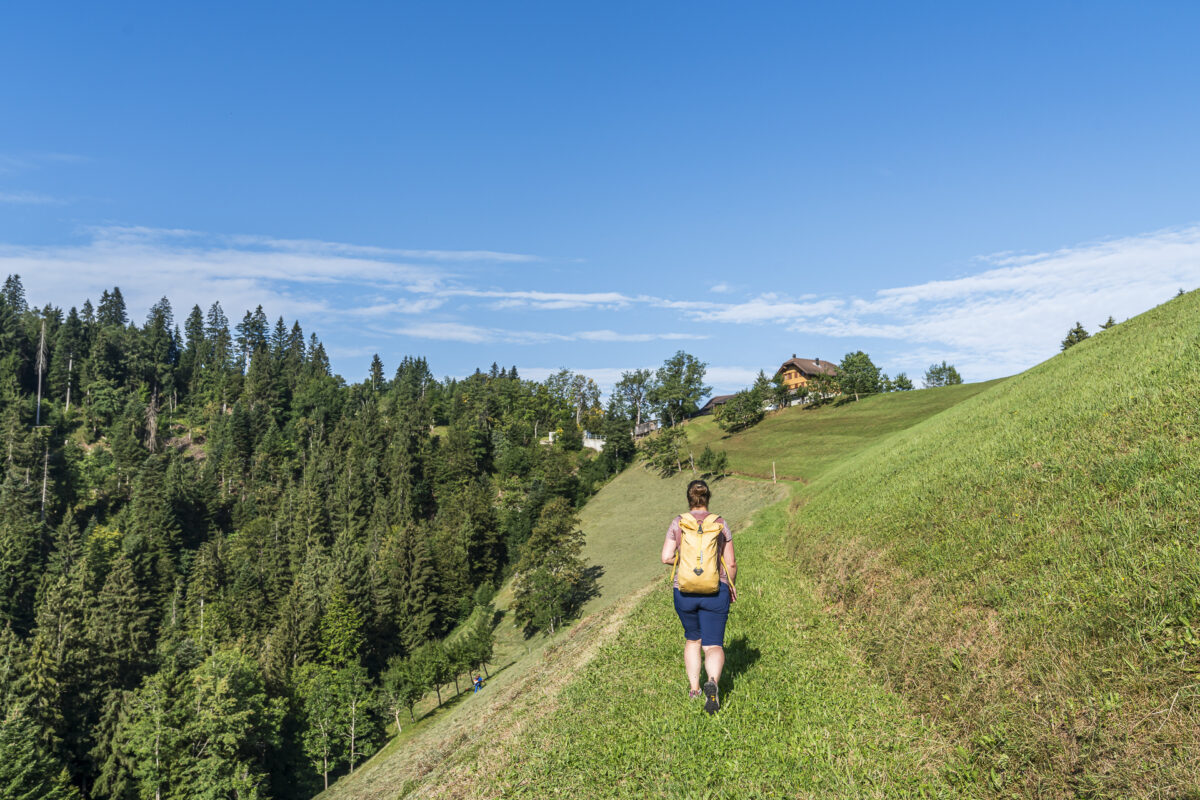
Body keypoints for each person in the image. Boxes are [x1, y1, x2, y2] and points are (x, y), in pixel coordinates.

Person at [660, 479, 736, 714]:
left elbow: (665, 557)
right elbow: (731, 562)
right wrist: (731, 585)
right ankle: (712, 681)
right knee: (713, 645)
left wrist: (686, 563)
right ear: (708, 498)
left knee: (693, 639)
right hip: (715, 590)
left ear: (689, 499)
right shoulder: (720, 524)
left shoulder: (678, 523)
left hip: (684, 591)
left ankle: (694, 690)